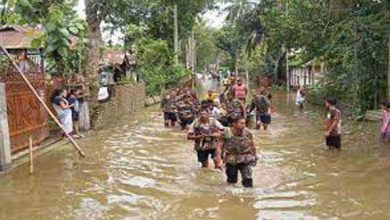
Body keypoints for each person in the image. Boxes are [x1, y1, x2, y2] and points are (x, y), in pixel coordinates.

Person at [216, 116, 257, 187]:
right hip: (231, 159)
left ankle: (248, 196)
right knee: (232, 181)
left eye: (244, 123)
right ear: (234, 124)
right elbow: (219, 146)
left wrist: (255, 155)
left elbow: (252, 144)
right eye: (241, 123)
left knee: (248, 180)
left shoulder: (247, 132)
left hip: (245, 158)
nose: (243, 125)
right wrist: (219, 160)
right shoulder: (226, 132)